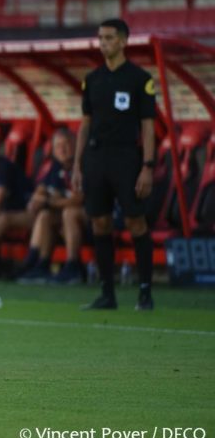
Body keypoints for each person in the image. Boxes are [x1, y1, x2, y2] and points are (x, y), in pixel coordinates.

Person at [73, 18, 156, 311]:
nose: (103, 43)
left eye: (108, 38)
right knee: (100, 223)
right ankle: (107, 294)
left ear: (123, 41)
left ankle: (145, 293)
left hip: (126, 158)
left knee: (135, 221)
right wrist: (77, 164)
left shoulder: (139, 79)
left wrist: (148, 166)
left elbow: (148, 126)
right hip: (96, 158)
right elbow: (85, 124)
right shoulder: (92, 80)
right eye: (100, 38)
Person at [17, 127, 87, 285]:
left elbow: (79, 199)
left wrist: (49, 201)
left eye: (66, 144)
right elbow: (42, 189)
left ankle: (73, 266)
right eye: (57, 146)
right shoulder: (56, 166)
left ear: (76, 144)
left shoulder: (84, 163)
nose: (62, 149)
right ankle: (41, 264)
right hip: (67, 220)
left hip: (96, 218)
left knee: (69, 212)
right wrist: (38, 198)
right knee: (45, 215)